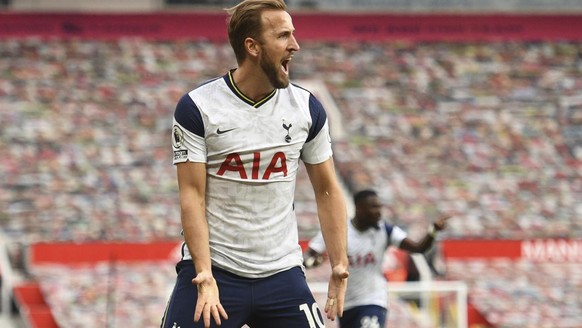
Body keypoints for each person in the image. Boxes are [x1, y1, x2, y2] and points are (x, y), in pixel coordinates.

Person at [161, 1, 349, 327]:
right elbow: (192, 195)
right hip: (215, 270)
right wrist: (204, 276)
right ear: (253, 47)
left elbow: (328, 190)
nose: (296, 45)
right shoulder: (197, 107)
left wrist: (339, 263)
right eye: (283, 36)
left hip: (282, 273)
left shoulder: (307, 108)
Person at [304, 189, 450, 328]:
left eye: (380, 206)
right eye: (374, 207)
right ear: (359, 208)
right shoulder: (339, 230)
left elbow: (418, 248)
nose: (379, 212)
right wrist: (312, 261)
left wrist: (433, 231)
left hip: (373, 300)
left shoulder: (385, 230)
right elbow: (309, 255)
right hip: (346, 304)